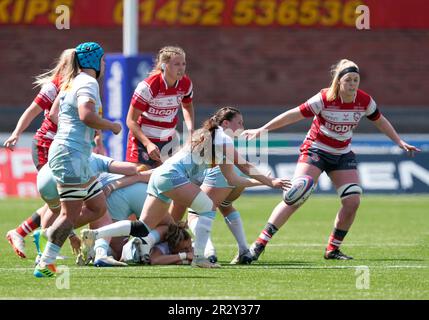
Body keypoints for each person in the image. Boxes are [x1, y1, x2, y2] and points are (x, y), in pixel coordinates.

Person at [242, 59, 421, 261]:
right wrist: (261, 130)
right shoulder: (324, 98)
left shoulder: (364, 101)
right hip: (315, 150)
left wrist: (399, 141)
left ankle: (332, 249)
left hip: (342, 154)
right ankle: (259, 245)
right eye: (348, 80)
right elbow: (293, 114)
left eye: (356, 80)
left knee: (352, 201)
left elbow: (380, 120)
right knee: (296, 195)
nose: (353, 84)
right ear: (339, 82)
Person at [80, 107, 290, 269]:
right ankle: (199, 257)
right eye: (239, 123)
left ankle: (95, 234)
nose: (242, 128)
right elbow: (245, 165)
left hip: (160, 176)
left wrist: (267, 182)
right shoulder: (223, 138)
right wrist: (270, 181)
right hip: (171, 176)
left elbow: (234, 178)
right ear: (226, 123)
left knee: (144, 227)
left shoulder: (209, 136)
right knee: (206, 208)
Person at [33, 42, 122, 277]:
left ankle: (50, 233)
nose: (104, 64)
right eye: (102, 60)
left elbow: (53, 114)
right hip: (71, 155)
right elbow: (86, 115)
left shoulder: (71, 81)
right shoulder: (87, 82)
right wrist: (111, 125)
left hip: (77, 154)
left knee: (97, 206)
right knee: (68, 214)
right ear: (94, 61)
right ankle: (46, 262)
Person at [4, 49, 76, 259]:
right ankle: (42, 248)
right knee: (58, 198)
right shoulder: (54, 86)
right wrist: (16, 133)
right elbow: (32, 111)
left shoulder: (78, 85)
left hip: (62, 149)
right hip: (46, 147)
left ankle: (21, 232)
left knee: (58, 199)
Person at [126, 46, 194, 168]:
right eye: (176, 64)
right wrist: (147, 144)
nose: (181, 68)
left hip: (167, 139)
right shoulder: (148, 86)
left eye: (183, 64)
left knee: (164, 180)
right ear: (164, 65)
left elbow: (187, 105)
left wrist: (190, 129)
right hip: (143, 140)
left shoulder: (186, 83)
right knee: (137, 177)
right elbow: (130, 121)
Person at [121, 222, 193, 265]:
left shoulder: (184, 245)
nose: (189, 250)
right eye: (185, 249)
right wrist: (184, 255)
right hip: (130, 251)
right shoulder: (164, 246)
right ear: (173, 247)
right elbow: (154, 260)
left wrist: (184, 261)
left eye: (189, 246)